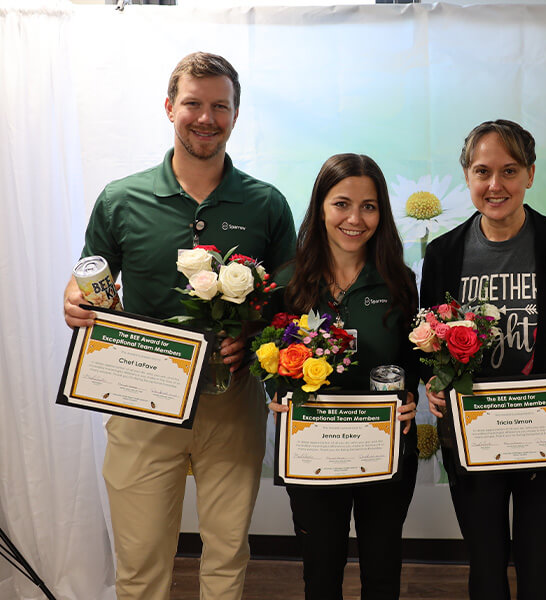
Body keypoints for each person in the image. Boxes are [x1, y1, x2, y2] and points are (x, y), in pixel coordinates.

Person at [62, 52, 297, 600]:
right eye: (193, 103)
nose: (206, 117)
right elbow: (86, 277)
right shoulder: (122, 198)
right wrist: (74, 301)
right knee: (140, 563)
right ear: (170, 107)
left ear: (236, 115)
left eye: (220, 106)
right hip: (142, 401)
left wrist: (256, 337)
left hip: (231, 402)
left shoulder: (266, 203)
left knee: (227, 556)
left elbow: (290, 302)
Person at [422, 119, 546, 599]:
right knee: (486, 565)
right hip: (474, 433)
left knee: (538, 563)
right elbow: (430, 345)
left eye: (509, 171)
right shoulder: (443, 253)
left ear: (530, 175)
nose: (496, 185)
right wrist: (433, 382)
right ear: (467, 177)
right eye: (482, 171)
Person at [267, 153, 420, 600]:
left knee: (382, 570)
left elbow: (412, 358)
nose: (355, 218)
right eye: (342, 204)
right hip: (314, 450)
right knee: (320, 571)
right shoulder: (286, 283)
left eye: (369, 206)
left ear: (382, 213)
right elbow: (268, 359)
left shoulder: (399, 282)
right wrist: (275, 392)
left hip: (385, 447)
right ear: (320, 208)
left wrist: (411, 393)